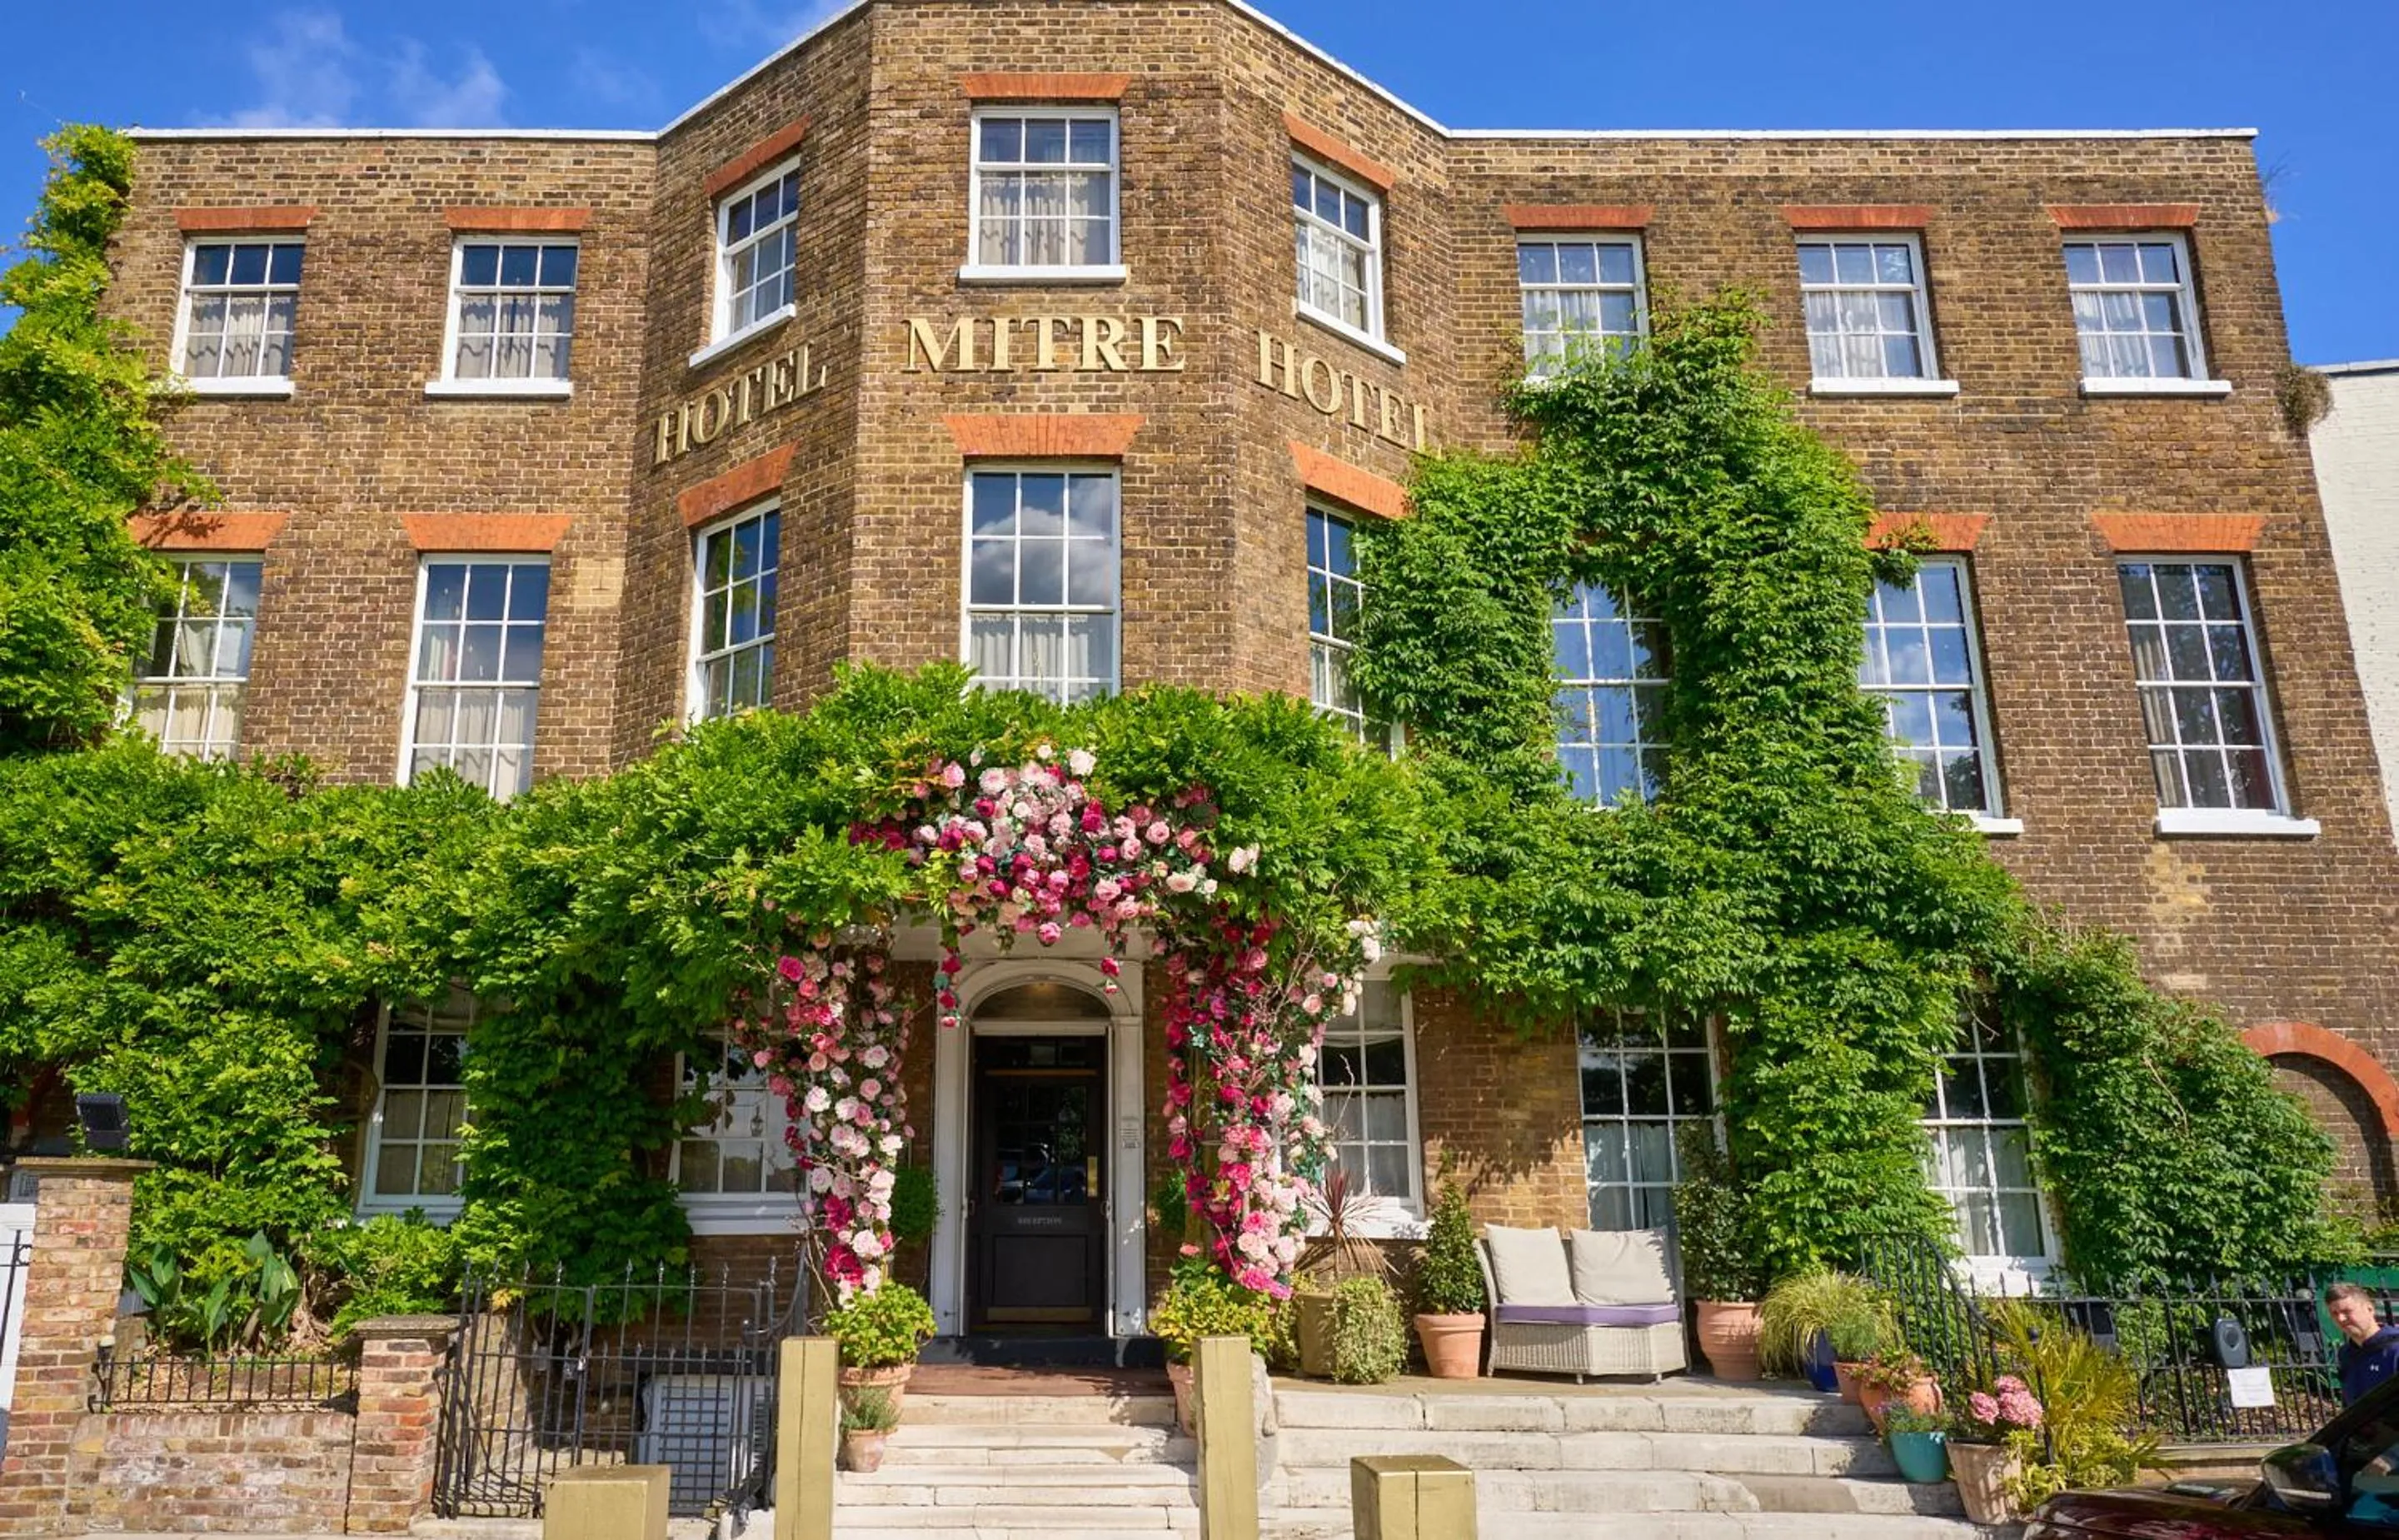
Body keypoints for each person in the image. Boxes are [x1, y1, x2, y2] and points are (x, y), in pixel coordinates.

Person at [2331, 1282, 2399, 1406]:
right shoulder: (2345, 1354)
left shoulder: (2395, 1349)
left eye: (2347, 1311)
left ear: (2370, 1309)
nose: (2341, 1319)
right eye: (2334, 1314)